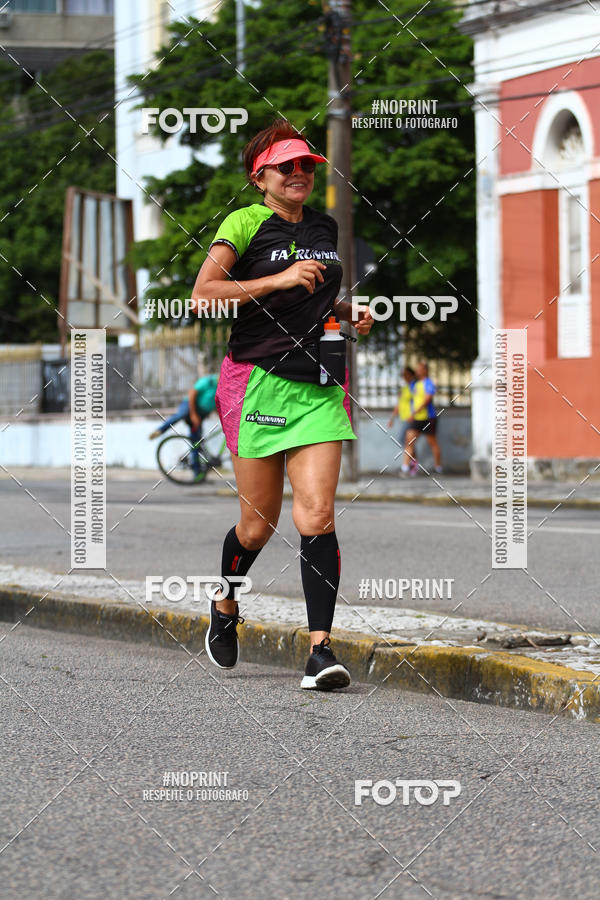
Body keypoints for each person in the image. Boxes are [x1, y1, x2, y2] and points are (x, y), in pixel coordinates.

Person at [191, 119, 373, 690]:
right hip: (256, 383)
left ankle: (320, 651)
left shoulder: (325, 224)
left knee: (317, 513)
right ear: (260, 176)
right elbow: (203, 297)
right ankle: (225, 604)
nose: (299, 174)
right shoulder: (243, 224)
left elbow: (317, 291)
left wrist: (346, 312)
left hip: (318, 381)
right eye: (286, 166)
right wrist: (278, 279)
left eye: (306, 166)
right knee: (258, 524)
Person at [149, 372, 219, 481]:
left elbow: (215, 405)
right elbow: (192, 393)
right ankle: (160, 430)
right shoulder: (207, 381)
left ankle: (197, 474)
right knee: (181, 414)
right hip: (190, 407)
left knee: (196, 443)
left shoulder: (221, 389)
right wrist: (193, 414)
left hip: (201, 415)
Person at [402, 361, 442, 474]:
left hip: (428, 418)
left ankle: (438, 468)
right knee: (409, 441)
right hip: (417, 418)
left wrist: (414, 412)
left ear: (425, 371)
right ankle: (405, 468)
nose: (417, 371)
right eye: (417, 369)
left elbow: (427, 400)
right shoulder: (416, 384)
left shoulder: (428, 383)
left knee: (432, 443)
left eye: (420, 369)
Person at [387, 366, 417, 475]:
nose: (403, 376)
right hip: (404, 418)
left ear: (410, 374)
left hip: (412, 419)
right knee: (408, 443)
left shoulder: (415, 387)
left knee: (407, 442)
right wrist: (392, 419)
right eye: (402, 374)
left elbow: (418, 402)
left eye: (405, 374)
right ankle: (412, 465)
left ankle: (407, 467)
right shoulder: (404, 389)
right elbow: (399, 405)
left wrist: (414, 414)